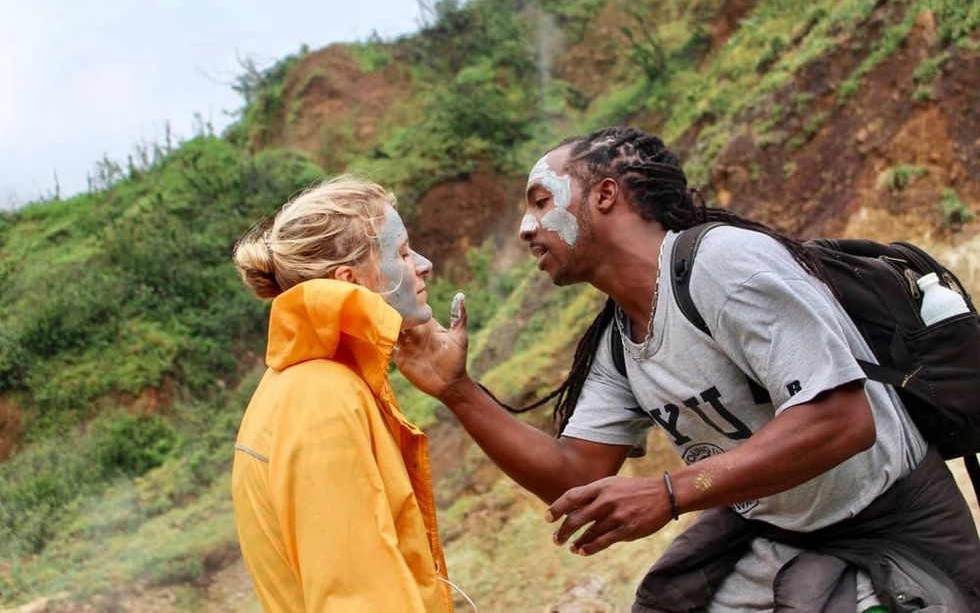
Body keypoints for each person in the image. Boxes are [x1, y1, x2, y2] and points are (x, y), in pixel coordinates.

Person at [395, 127, 980, 611]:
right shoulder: (619, 338)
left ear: (604, 195)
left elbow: (842, 421)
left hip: (894, 523)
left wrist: (671, 492)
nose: (526, 228)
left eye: (541, 202)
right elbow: (575, 472)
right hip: (776, 533)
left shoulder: (724, 265)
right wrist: (458, 390)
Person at [230, 177, 453, 612]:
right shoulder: (322, 400)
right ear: (350, 279)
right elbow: (355, 597)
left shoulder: (305, 383)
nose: (423, 264)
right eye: (403, 253)